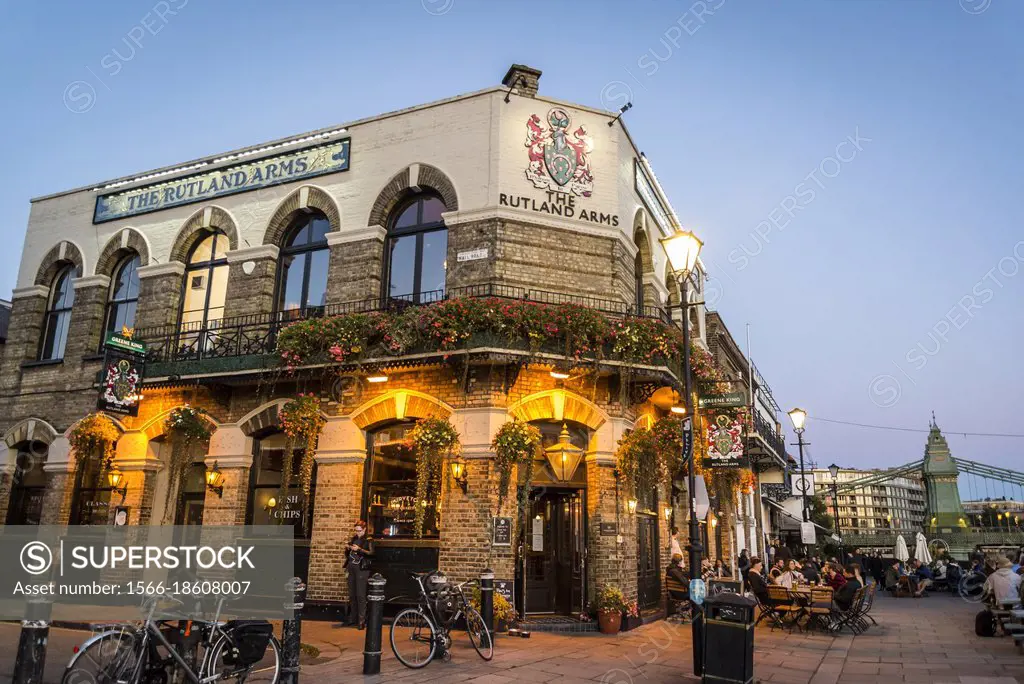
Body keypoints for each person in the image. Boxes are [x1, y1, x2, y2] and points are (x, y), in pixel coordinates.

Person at [343, 519, 374, 629]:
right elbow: (348, 555)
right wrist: (347, 548)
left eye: (360, 530)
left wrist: (359, 549)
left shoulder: (368, 540)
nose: (358, 533)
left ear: (364, 529)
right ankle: (353, 618)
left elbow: (371, 553)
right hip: (351, 567)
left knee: (361, 595)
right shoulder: (354, 538)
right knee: (352, 594)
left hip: (362, 569)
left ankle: (361, 621)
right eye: (356, 530)